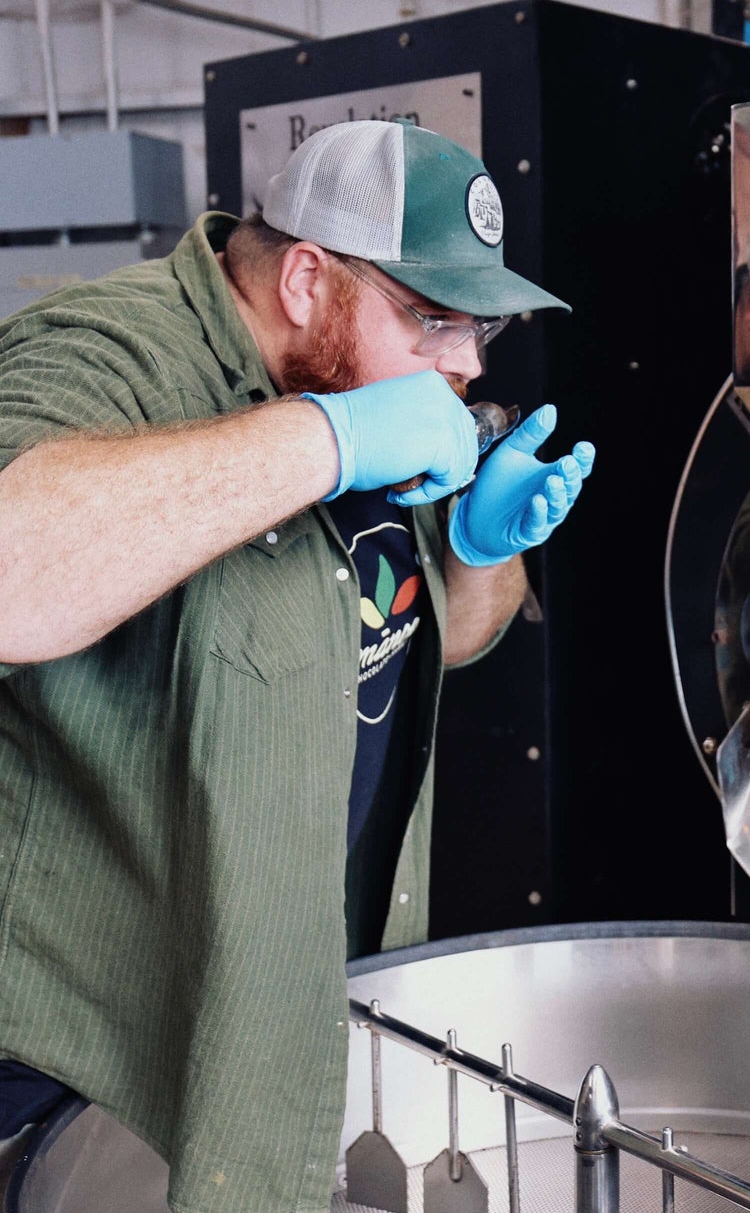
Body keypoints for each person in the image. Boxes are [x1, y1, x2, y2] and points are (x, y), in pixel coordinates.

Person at [0, 119, 593, 1211]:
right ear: (308, 280)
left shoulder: (372, 380)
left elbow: (427, 644)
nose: (466, 364)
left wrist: (477, 556)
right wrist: (331, 440)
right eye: (435, 320)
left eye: (482, 328)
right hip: (75, 1059)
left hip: (285, 1009)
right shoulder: (111, 351)